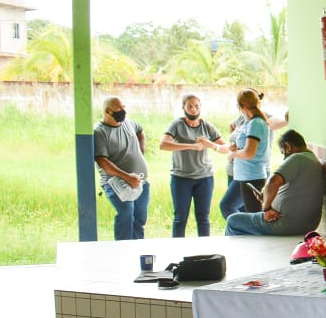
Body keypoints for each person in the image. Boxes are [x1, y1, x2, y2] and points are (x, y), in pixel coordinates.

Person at [224, 130, 326, 237]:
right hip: (308, 224)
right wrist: (267, 199)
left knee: (233, 220)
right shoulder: (312, 160)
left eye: (283, 152)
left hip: (285, 223)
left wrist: (266, 209)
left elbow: (272, 183)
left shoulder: (297, 158)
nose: (284, 157)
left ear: (288, 146)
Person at [160, 94, 225, 238]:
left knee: (203, 218)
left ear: (200, 107)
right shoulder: (177, 124)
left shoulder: (207, 126)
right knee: (180, 218)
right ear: (183, 108)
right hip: (181, 178)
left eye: (196, 106)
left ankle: (205, 253)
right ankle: (178, 250)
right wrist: (191, 146)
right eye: (189, 106)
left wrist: (210, 144)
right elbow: (163, 145)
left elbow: (224, 147)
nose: (193, 109)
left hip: (205, 177)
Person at [93, 95, 149, 241]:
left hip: (140, 180)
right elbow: (102, 161)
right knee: (126, 213)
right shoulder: (100, 132)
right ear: (107, 111)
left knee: (140, 218)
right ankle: (122, 248)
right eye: (118, 108)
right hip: (116, 182)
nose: (122, 111)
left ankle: (137, 249)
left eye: (123, 107)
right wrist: (127, 177)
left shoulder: (128, 123)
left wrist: (141, 151)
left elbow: (140, 130)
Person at [219, 89, 273, 222]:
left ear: (240, 107)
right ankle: (244, 236)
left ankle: (243, 233)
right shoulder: (252, 122)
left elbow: (249, 153)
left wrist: (234, 153)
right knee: (246, 213)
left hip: (251, 175)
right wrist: (237, 149)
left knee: (231, 207)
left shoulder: (255, 123)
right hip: (246, 174)